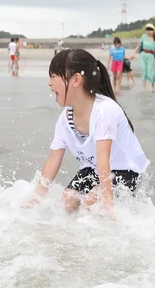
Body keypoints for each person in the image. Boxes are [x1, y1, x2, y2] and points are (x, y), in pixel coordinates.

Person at [29, 49, 147, 216]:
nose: (50, 83)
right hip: (92, 168)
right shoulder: (65, 118)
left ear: (76, 79)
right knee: (67, 201)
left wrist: (109, 206)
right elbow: (54, 157)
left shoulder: (104, 110)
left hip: (127, 170)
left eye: (54, 76)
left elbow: (103, 158)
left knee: (93, 201)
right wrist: (36, 197)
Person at [127, 24, 155, 92]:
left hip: (151, 56)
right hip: (143, 56)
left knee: (151, 71)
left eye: (150, 30)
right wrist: (133, 54)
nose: (148, 32)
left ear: (153, 30)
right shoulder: (143, 36)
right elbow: (138, 46)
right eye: (147, 30)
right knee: (144, 71)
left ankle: (153, 87)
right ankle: (144, 89)